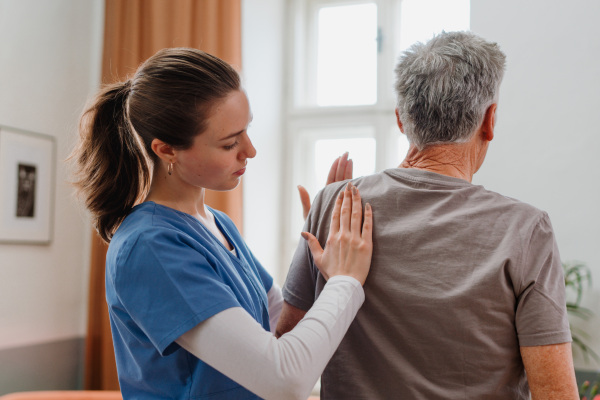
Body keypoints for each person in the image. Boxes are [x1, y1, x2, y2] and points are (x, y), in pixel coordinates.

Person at [277, 31, 579, 399]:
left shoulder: (334, 207)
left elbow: (286, 352)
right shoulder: (526, 230)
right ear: (489, 120)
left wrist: (323, 215)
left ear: (401, 120)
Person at [70, 48, 373, 400]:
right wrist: (346, 280)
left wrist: (316, 246)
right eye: (231, 143)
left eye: (246, 131)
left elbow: (282, 328)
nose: (251, 150)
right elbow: (285, 379)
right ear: (166, 150)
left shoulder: (217, 223)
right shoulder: (150, 246)